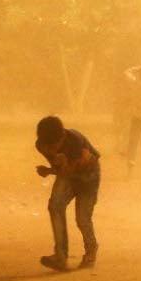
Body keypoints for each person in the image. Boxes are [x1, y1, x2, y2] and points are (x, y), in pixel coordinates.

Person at [35, 116, 100, 271]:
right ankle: (60, 256)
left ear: (63, 136)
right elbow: (62, 170)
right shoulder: (41, 145)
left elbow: (83, 164)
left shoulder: (76, 140)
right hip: (68, 176)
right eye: (48, 146)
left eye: (54, 145)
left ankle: (91, 251)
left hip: (88, 178)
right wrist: (52, 169)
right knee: (55, 206)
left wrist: (51, 170)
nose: (51, 150)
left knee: (82, 218)